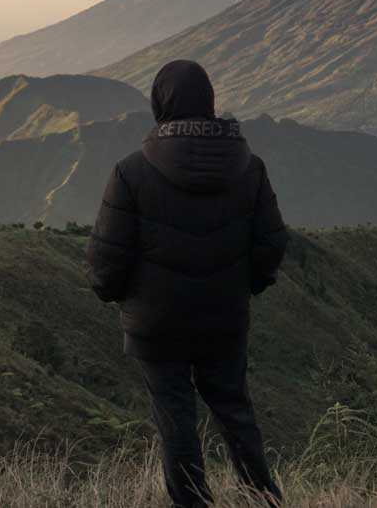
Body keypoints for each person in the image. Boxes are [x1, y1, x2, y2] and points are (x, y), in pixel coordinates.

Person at [86, 60, 289, 508]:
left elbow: (106, 259)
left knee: (176, 420)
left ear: (161, 103)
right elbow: (271, 242)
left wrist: (120, 296)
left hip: (157, 325)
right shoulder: (249, 168)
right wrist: (245, 286)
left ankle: (192, 503)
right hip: (224, 319)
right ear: (208, 102)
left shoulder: (131, 172)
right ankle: (264, 499)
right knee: (235, 410)